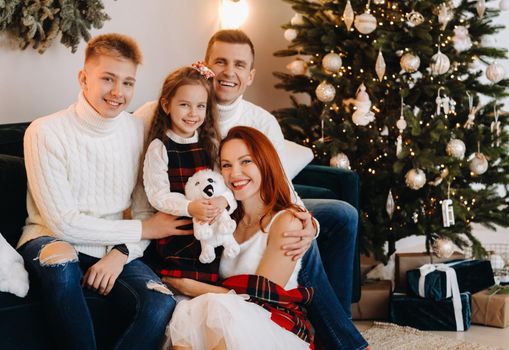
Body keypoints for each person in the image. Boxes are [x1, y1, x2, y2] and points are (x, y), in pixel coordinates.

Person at [134, 30, 367, 349]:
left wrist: (307, 224)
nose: (229, 72)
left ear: (250, 74)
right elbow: (138, 172)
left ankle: (339, 333)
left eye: (239, 65)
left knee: (332, 217)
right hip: (202, 212)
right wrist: (140, 226)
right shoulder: (166, 108)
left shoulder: (261, 120)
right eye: (221, 62)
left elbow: (279, 181)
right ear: (206, 65)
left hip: (248, 203)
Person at [17, 33, 191, 350]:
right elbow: (63, 223)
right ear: (84, 79)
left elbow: (143, 211)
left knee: (161, 303)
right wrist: (142, 229)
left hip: (114, 242)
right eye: (107, 79)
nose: (118, 92)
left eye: (128, 83)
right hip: (49, 237)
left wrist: (121, 253)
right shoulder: (45, 132)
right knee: (61, 262)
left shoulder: (139, 131)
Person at [163, 126, 314, 350]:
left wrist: (190, 287)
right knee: (189, 313)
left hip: (271, 322)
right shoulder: (225, 219)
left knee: (213, 309)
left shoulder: (286, 221)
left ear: (265, 163)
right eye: (226, 165)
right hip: (223, 314)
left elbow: (262, 299)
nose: (235, 174)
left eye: (246, 162)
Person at [142, 63, 236, 285]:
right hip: (178, 234)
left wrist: (224, 201)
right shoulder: (160, 146)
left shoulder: (211, 143)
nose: (193, 113)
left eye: (200, 106)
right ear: (167, 105)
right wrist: (188, 207)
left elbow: (228, 186)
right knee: (181, 287)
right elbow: (158, 195)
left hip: (212, 233)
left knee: (209, 280)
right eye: (185, 105)